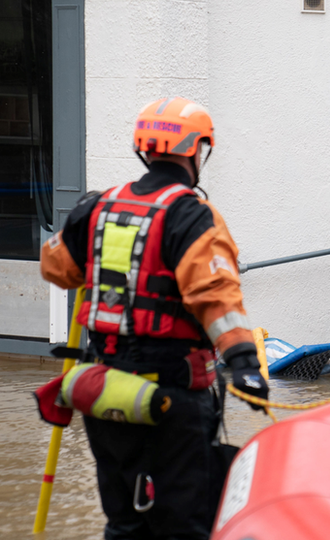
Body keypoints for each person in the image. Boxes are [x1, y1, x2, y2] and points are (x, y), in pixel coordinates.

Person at [40, 97, 269, 539]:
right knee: (183, 525)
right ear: (195, 150)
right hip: (172, 398)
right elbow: (216, 298)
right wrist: (244, 366)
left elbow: (56, 268)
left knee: (124, 522)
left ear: (143, 149)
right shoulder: (192, 216)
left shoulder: (97, 208)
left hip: (104, 391)